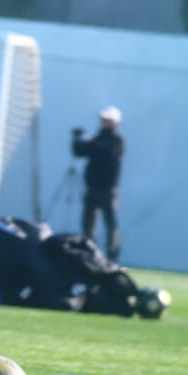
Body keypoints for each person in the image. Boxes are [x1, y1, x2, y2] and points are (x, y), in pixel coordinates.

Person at [72, 106, 125, 262]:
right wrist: (77, 139)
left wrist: (87, 141)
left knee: (110, 224)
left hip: (108, 190)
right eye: (102, 119)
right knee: (88, 224)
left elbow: (104, 151)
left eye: (107, 120)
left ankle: (112, 257)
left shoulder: (117, 140)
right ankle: (89, 255)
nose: (103, 122)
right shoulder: (97, 139)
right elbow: (79, 152)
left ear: (114, 122)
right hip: (92, 188)